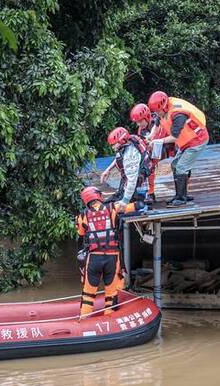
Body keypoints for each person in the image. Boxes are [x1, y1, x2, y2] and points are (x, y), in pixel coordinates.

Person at [76, 186, 143, 317]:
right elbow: (138, 205)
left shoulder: (82, 216)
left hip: (93, 259)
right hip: (112, 258)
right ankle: (110, 318)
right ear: (98, 196)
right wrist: (138, 197)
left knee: (88, 293)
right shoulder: (113, 207)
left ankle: (83, 320)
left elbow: (81, 233)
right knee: (111, 292)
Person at [148, 91, 210, 207]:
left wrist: (158, 141)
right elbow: (157, 124)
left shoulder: (178, 114)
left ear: (164, 106)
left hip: (197, 140)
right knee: (175, 165)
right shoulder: (162, 111)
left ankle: (181, 199)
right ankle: (180, 195)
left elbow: (173, 137)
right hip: (186, 142)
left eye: (158, 111)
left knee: (181, 167)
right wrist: (151, 135)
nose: (157, 114)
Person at [129, 103, 175, 204]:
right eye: (137, 122)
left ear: (147, 117)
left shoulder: (157, 122)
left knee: (179, 165)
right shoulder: (141, 129)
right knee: (146, 163)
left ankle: (183, 192)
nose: (138, 124)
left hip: (171, 143)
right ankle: (149, 192)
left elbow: (157, 141)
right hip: (158, 147)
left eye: (140, 121)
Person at [99, 127, 151, 207]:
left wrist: (124, 201)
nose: (112, 147)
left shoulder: (130, 156)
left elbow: (132, 181)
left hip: (136, 189)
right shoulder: (130, 141)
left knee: (111, 206)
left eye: (113, 144)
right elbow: (119, 157)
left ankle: (139, 204)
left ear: (121, 141)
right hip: (134, 183)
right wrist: (108, 170)